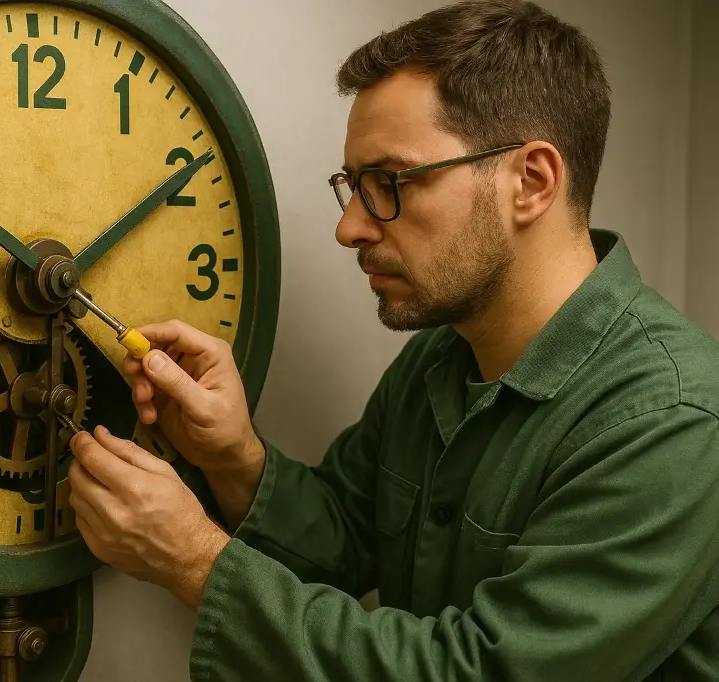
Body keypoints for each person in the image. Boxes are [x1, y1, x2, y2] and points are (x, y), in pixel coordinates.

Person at [66, 0, 719, 679]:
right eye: (352, 186)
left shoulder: (673, 425)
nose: (350, 228)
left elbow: (473, 671)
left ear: (531, 182)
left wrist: (197, 562)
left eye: (390, 184)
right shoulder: (444, 356)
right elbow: (346, 540)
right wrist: (234, 458)